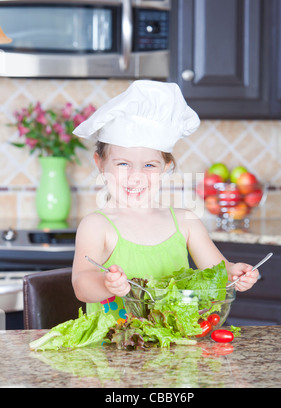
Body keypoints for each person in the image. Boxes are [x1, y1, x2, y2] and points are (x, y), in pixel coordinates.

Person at [72, 80, 259, 324]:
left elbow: (218, 272)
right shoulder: (96, 225)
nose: (136, 175)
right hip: (113, 353)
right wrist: (106, 283)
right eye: (123, 164)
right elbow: (81, 284)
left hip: (176, 351)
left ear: (166, 168)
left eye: (149, 165)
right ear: (100, 163)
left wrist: (235, 273)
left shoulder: (185, 221)